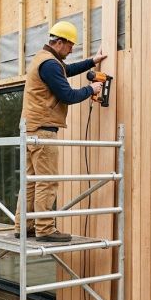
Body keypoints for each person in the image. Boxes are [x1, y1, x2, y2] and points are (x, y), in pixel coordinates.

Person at [14, 21, 107, 242]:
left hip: (30, 130)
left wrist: (92, 61)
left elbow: (68, 70)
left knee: (30, 180)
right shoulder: (51, 65)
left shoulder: (45, 60)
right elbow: (68, 96)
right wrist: (91, 89)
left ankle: (23, 226)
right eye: (70, 45)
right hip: (43, 131)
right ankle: (45, 229)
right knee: (47, 181)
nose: (72, 49)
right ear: (59, 42)